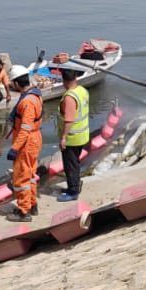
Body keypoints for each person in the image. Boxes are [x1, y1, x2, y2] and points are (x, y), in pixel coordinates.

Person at [5, 65, 44, 221]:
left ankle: (23, 211)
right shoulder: (35, 95)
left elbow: (25, 129)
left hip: (26, 143)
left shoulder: (27, 102)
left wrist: (15, 148)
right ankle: (32, 205)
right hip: (34, 139)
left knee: (22, 177)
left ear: (16, 83)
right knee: (31, 175)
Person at [54, 60, 91, 202]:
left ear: (64, 81)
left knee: (70, 165)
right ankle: (76, 184)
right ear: (75, 77)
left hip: (72, 138)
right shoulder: (82, 91)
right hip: (82, 135)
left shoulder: (69, 97)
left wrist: (63, 138)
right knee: (75, 162)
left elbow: (69, 120)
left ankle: (73, 191)